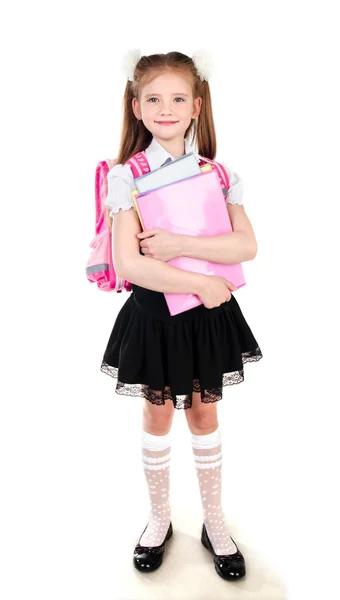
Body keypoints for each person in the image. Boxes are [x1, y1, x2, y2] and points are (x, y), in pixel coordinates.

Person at [100, 50, 263, 579]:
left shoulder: (219, 173)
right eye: (153, 99)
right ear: (137, 107)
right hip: (156, 316)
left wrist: (176, 243)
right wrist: (202, 281)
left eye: (176, 98)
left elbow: (245, 246)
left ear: (196, 106)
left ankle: (214, 522)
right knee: (155, 415)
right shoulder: (126, 176)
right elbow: (130, 263)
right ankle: (158, 519)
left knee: (204, 414)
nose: (165, 108)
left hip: (205, 318)